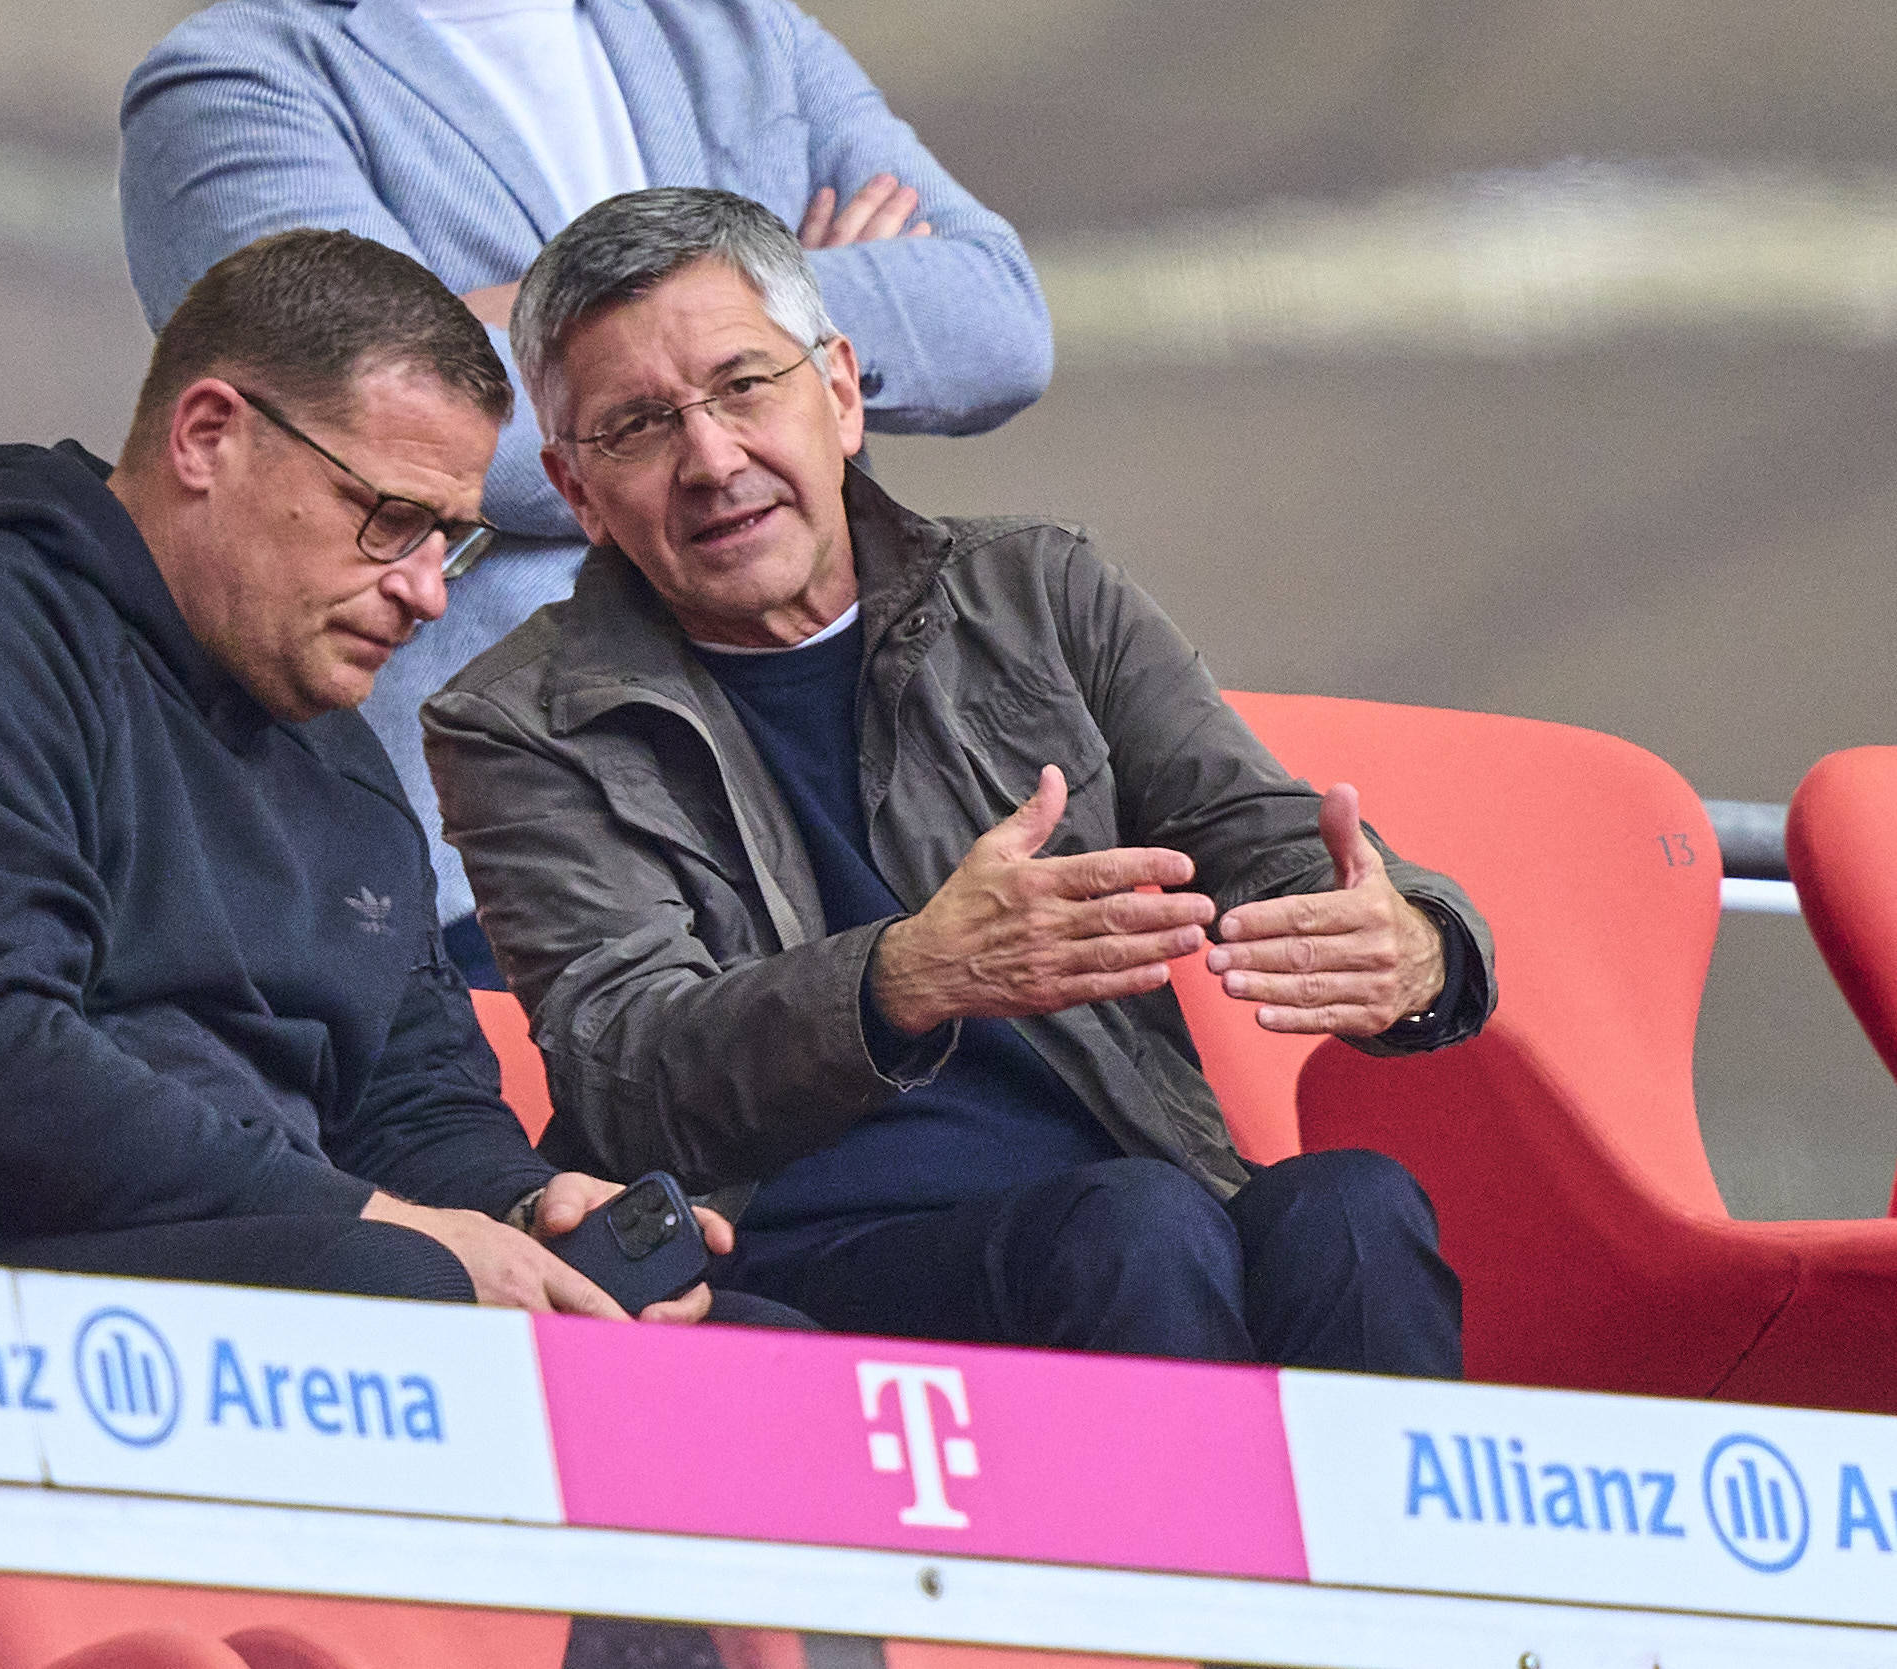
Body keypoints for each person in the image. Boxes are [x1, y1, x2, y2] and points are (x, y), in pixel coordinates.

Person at [423, 189, 1495, 1373]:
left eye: (744, 387)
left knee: (1353, 1212)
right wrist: (907, 975)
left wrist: (1417, 939)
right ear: (576, 492)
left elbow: (1263, 840)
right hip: (789, 1249)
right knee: (1133, 1230)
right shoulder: (514, 722)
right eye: (638, 427)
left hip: (1135, 1199)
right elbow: (625, 1068)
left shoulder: (1040, 592)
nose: (712, 459)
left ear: (837, 392)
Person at [0, 227, 792, 1329]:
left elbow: (413, 1101)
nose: (426, 593)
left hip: (256, 1258)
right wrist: (392, 1225)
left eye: (450, 540)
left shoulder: (337, 744)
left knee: (754, 1346)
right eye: (390, 521)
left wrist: (524, 1209)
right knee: (410, 1296)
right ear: (208, 435)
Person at [119, 0, 1054, 983]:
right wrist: (774, 296)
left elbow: (996, 322)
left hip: (852, 809)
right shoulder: (229, 83)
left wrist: (505, 324)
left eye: (743, 375)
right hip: (515, 857)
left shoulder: (734, 25)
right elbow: (364, 421)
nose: (710, 458)